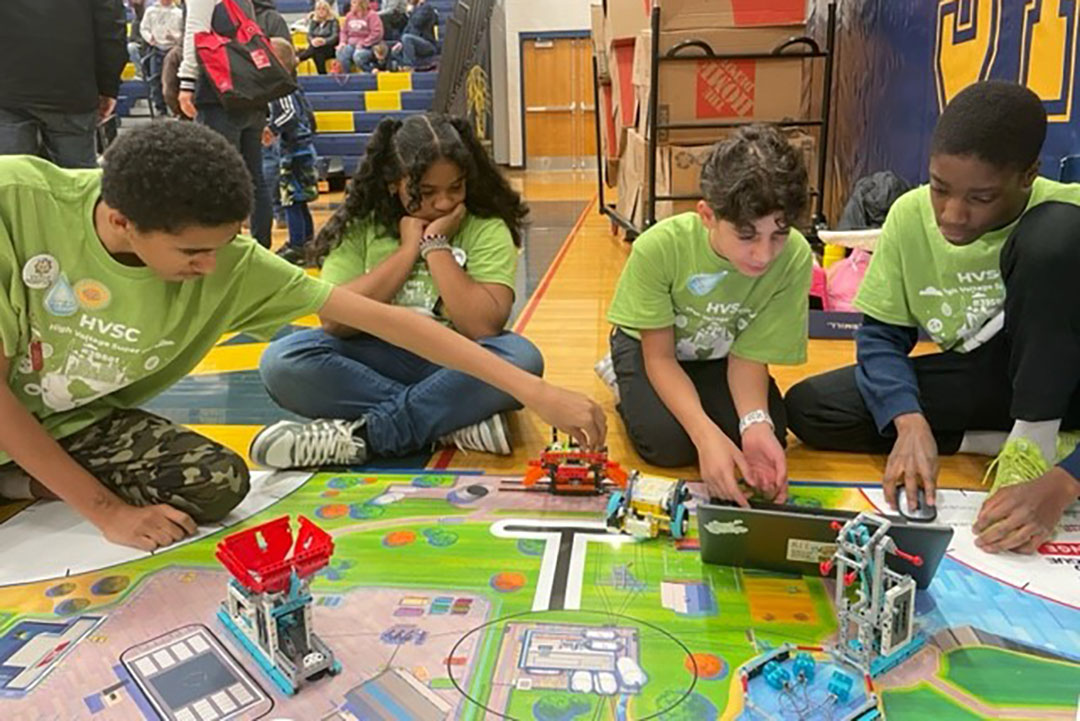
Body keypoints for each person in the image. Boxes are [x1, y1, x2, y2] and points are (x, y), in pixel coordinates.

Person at [0, 122, 604, 553]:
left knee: (217, 483)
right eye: (192, 252)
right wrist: (108, 512)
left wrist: (535, 391)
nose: (212, 268)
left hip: (71, 421)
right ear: (121, 221)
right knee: (289, 360)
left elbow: (390, 322)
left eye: (224, 244)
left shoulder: (231, 262)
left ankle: (20, 478)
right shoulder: (17, 204)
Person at [785, 81, 1080, 554]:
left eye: (980, 198)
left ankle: (1038, 442)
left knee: (1057, 236)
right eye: (940, 188)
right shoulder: (909, 216)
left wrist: (1065, 482)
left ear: (1028, 176)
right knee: (812, 406)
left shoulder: (1068, 213)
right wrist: (909, 422)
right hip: (992, 379)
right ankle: (997, 441)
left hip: (1066, 383)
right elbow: (881, 338)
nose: (952, 214)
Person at [253, 113, 543, 464]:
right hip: (374, 359)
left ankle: (366, 435)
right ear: (394, 183)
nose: (444, 203)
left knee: (522, 359)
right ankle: (450, 422)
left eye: (456, 187)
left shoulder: (484, 227)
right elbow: (334, 321)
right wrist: (407, 252)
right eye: (425, 192)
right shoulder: (361, 226)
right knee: (283, 361)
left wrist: (434, 244)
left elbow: (481, 327)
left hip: (454, 361)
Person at [604, 125, 812, 505]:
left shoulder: (795, 258)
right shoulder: (659, 248)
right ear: (707, 216)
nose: (764, 255)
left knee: (768, 434)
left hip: (722, 353)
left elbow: (749, 356)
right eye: (747, 236)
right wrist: (704, 434)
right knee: (666, 444)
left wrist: (754, 425)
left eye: (778, 235)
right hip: (653, 348)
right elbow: (661, 357)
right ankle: (619, 376)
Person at [178, 0, 291, 248]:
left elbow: (196, 33)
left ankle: (225, 245)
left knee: (217, 176)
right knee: (254, 177)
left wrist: (187, 81)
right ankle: (261, 247)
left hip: (219, 94)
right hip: (250, 94)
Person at [0, 0, 127, 169]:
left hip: (9, 92)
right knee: (78, 185)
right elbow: (111, 28)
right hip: (72, 91)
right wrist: (108, 87)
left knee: (14, 183)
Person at [265, 38, 320, 265]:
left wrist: (272, 127)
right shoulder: (286, 85)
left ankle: (298, 245)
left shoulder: (282, 86)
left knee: (291, 199)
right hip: (298, 149)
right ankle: (306, 242)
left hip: (295, 151)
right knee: (298, 199)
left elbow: (290, 115)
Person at [139, 0, 184, 116]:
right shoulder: (150, 11)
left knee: (173, 81)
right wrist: (150, 38)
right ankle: (160, 108)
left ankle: (176, 109)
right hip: (156, 49)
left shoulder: (179, 13)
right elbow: (144, 28)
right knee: (155, 79)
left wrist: (175, 37)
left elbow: (183, 32)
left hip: (173, 51)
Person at [336, 0, 384, 74]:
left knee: (358, 56)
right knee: (340, 52)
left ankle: (371, 70)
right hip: (351, 44)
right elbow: (344, 32)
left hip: (368, 45)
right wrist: (342, 42)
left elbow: (377, 33)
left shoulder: (372, 15)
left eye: (354, 2)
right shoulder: (349, 15)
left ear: (362, 4)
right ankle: (347, 75)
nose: (351, 5)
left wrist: (363, 43)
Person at [391, 0, 439, 71]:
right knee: (395, 51)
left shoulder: (426, 8)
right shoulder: (415, 10)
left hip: (427, 43)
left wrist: (410, 12)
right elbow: (407, 28)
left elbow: (417, 23)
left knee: (407, 38)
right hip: (413, 41)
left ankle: (409, 66)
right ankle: (409, 66)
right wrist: (400, 42)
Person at [298, 0, 340, 75]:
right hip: (317, 48)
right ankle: (322, 75)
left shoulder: (333, 21)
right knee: (317, 52)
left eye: (323, 9)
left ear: (328, 11)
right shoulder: (314, 21)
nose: (321, 11)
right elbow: (309, 35)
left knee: (315, 50)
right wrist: (312, 41)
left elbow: (335, 37)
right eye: (318, 9)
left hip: (330, 47)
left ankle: (299, 58)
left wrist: (324, 41)